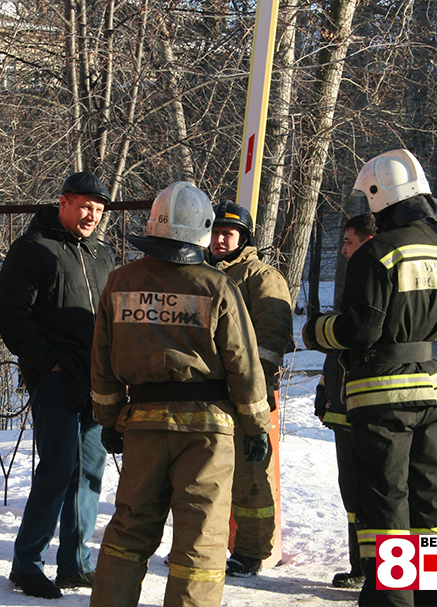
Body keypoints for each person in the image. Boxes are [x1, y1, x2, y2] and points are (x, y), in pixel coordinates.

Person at [88, 181, 272, 607]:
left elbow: (101, 358)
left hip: (143, 423)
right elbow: (242, 364)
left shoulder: (119, 282)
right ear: (204, 232)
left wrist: (109, 417)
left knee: (129, 530)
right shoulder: (216, 286)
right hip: (208, 431)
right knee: (201, 542)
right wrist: (255, 425)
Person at [303, 149, 437, 607]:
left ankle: (391, 601)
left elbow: (360, 329)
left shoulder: (376, 252)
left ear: (378, 196)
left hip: (382, 392)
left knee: (385, 498)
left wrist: (316, 331)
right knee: (431, 494)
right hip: (429, 386)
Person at [0, 171, 114, 600]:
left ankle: (75, 565)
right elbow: (10, 316)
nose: (92, 216)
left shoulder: (102, 254)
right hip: (56, 380)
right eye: (84, 206)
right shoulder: (32, 249)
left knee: (89, 473)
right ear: (63, 202)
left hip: (96, 378)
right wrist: (52, 363)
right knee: (58, 469)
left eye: (98, 210)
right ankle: (26, 564)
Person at [206, 200, 293, 578]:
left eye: (229, 233)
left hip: (247, 395)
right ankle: (206, 546)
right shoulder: (199, 273)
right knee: (206, 474)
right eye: (215, 232)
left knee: (250, 476)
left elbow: (272, 341)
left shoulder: (262, 277)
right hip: (206, 393)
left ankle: (252, 551)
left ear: (244, 238)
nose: (220, 240)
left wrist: (253, 387)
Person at [312, 212, 376, 589]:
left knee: (371, 493)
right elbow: (338, 350)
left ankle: (376, 570)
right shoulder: (355, 278)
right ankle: (361, 566)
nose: (344, 251)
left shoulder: (373, 278)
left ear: (367, 242)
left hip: (364, 409)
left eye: (349, 243)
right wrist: (324, 389)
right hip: (342, 407)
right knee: (352, 493)